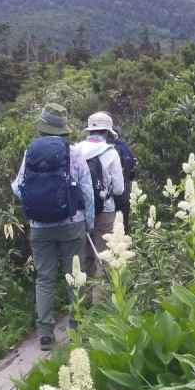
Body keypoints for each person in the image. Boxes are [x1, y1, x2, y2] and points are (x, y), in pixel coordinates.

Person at [12, 103, 94, 351]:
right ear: (63, 129)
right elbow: (87, 190)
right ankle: (77, 327)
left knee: (45, 279)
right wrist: (88, 222)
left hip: (40, 226)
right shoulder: (74, 153)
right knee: (75, 276)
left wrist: (38, 204)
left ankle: (45, 333)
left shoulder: (30, 153)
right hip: (72, 224)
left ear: (42, 128)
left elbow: (17, 187)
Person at [74, 112, 124, 302]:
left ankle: (82, 299)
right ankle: (100, 303)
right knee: (104, 256)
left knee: (83, 256)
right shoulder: (110, 152)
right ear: (107, 131)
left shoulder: (75, 150)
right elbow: (119, 189)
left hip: (79, 211)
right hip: (105, 211)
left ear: (90, 130)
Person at [110, 125, 137, 234]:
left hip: (110, 197)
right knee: (123, 226)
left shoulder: (109, 149)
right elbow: (132, 172)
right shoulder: (126, 148)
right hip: (125, 192)